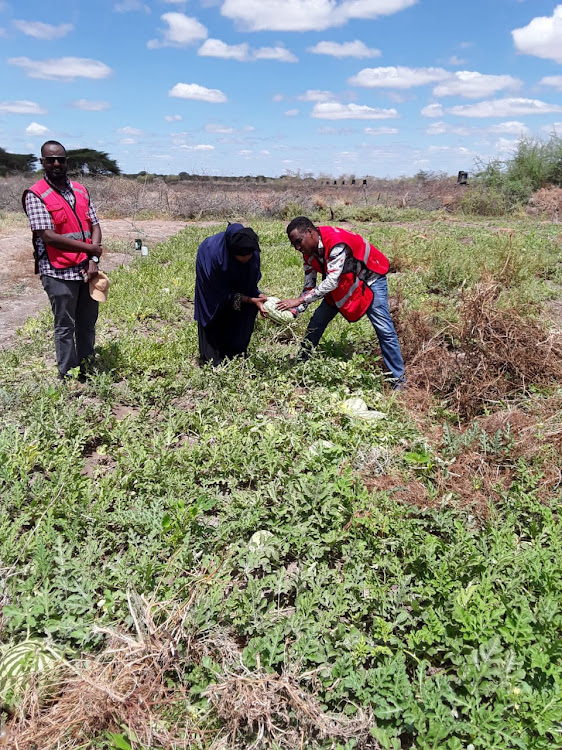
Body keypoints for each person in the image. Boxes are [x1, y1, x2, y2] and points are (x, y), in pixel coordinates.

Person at [277, 216, 406, 388]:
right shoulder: (308, 254)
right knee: (316, 322)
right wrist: (293, 311)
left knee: (384, 329)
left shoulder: (336, 243)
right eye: (294, 244)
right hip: (345, 281)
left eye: (299, 242)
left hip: (370, 278)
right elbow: (309, 286)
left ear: (310, 233)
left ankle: (399, 380)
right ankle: (301, 363)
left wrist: (299, 301)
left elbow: (331, 282)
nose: (297, 248)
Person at [22, 140, 103, 379]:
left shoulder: (80, 189)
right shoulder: (36, 194)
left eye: (61, 159)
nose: (56, 164)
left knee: (87, 323)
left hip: (86, 268)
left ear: (67, 161)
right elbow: (49, 237)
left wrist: (92, 257)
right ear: (42, 162)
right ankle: (68, 374)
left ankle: (88, 368)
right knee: (65, 326)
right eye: (50, 160)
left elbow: (95, 224)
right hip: (57, 271)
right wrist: (92, 249)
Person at [194, 223, 267, 365]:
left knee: (243, 315)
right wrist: (248, 299)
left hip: (235, 280)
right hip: (214, 288)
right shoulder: (212, 253)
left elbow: (250, 285)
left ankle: (234, 349)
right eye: (242, 256)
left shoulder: (251, 250)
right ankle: (213, 357)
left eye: (249, 255)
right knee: (215, 311)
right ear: (231, 251)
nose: (247, 258)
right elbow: (220, 294)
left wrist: (255, 298)